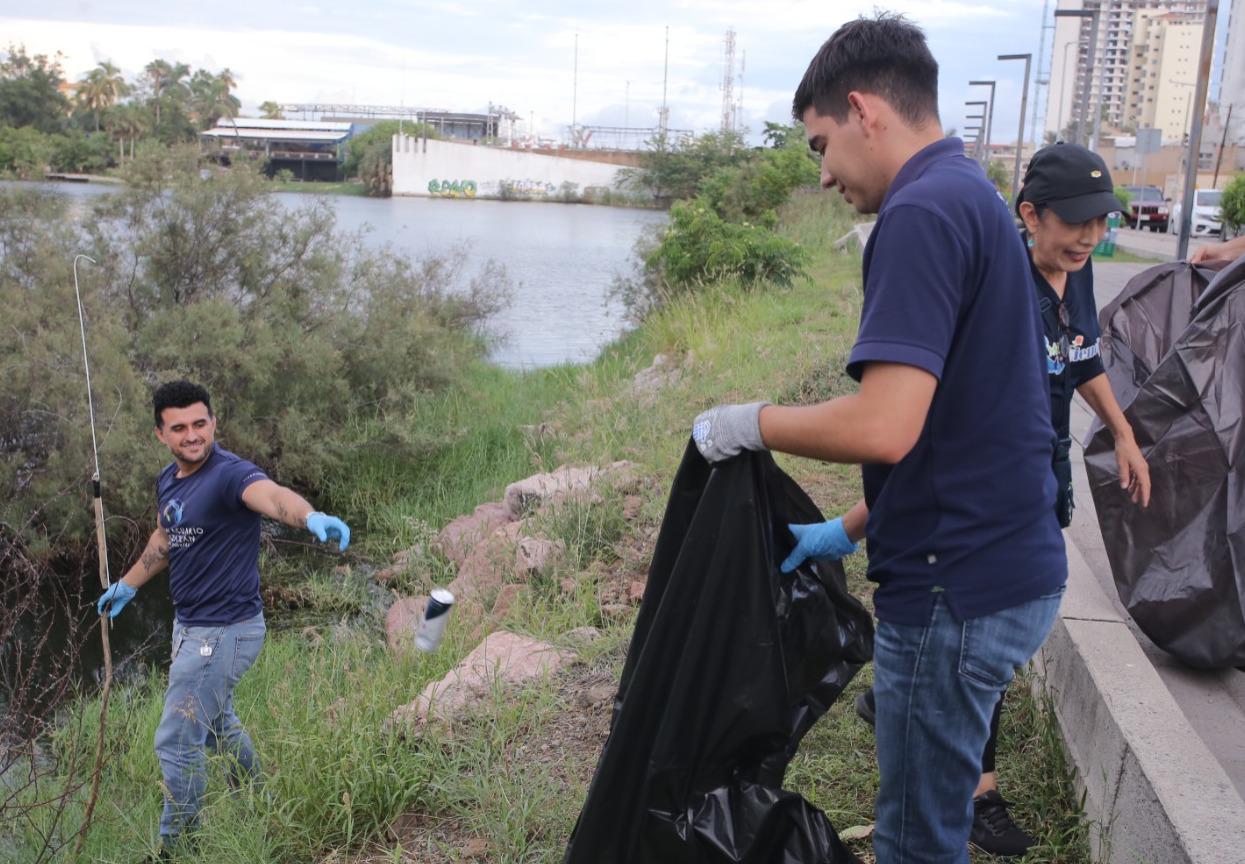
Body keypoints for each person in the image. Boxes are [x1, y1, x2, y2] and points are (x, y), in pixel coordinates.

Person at [689, 14, 1067, 864]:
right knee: (922, 819)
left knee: (915, 840)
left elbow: (884, 426)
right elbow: (963, 420)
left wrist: (748, 423)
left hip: (952, 590)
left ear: (863, 110)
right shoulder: (968, 194)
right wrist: (852, 526)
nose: (822, 176)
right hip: (1001, 564)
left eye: (819, 145)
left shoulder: (920, 213)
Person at [790, 143, 1154, 858]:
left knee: (970, 662)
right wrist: (850, 525)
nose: (1087, 237)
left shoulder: (1070, 279)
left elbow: (1082, 359)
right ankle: (971, 786)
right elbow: (924, 436)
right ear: (1028, 215)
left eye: (1098, 223)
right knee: (963, 652)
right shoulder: (996, 284)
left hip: (1029, 481)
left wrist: (1122, 431)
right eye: (1074, 222)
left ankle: (929, 738)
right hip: (979, 507)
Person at [95, 380, 350, 857]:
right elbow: (167, 538)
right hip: (190, 625)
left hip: (226, 631)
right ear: (160, 434)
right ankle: (258, 800)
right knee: (215, 726)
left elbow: (273, 497)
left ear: (213, 422)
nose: (192, 435)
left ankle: (178, 847)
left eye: (199, 423)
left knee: (175, 738)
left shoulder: (232, 475)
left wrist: (309, 517)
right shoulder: (169, 480)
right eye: (179, 428)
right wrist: (129, 585)